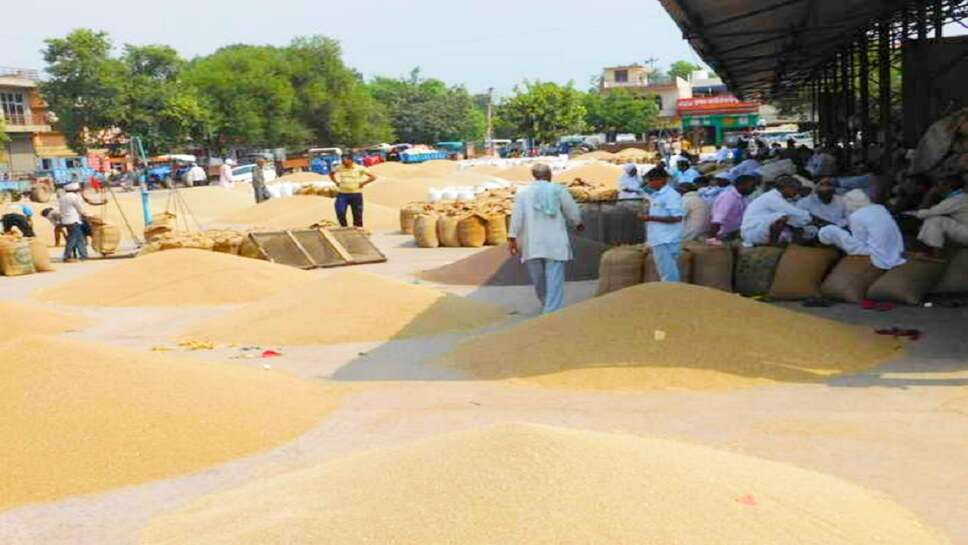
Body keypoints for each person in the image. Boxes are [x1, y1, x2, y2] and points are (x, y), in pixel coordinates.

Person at [508, 163, 584, 314]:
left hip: (532, 242)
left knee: (538, 278)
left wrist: (512, 237)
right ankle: (551, 309)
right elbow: (571, 209)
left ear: (534, 175)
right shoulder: (558, 190)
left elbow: (517, 216)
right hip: (554, 240)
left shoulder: (523, 193)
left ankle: (545, 303)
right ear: (550, 175)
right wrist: (578, 222)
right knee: (554, 276)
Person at [819, 190, 906, 270]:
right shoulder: (880, 208)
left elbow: (861, 241)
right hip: (896, 248)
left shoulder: (856, 216)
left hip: (877, 253)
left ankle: (825, 240)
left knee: (830, 229)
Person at [905, 174, 968, 257]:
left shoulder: (957, 199)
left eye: (939, 185)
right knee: (934, 220)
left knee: (935, 220)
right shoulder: (961, 197)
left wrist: (910, 213)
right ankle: (927, 249)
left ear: (948, 186)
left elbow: (931, 212)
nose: (937, 188)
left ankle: (933, 253)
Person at [640, 166, 684, 282]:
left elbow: (677, 217)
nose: (649, 184)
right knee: (668, 270)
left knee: (667, 273)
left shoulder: (671, 195)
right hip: (661, 237)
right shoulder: (658, 194)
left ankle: (671, 295)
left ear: (661, 180)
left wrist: (650, 217)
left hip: (665, 238)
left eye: (650, 181)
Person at [740, 175, 813, 246]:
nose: (796, 192)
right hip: (753, 232)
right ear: (787, 188)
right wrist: (813, 219)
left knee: (796, 223)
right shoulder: (773, 198)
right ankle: (773, 245)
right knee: (782, 217)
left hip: (755, 230)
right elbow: (800, 214)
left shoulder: (775, 196)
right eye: (795, 189)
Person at [329, 154, 377, 228]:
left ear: (350, 160)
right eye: (342, 160)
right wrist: (336, 182)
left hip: (356, 194)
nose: (343, 162)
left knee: (357, 214)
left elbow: (373, 177)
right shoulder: (339, 167)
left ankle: (358, 230)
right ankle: (344, 228)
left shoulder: (359, 168)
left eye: (345, 160)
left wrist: (363, 183)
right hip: (342, 194)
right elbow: (331, 173)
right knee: (340, 211)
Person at [708, 174, 757, 241]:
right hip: (723, 236)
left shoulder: (745, 198)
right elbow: (717, 221)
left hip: (736, 234)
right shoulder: (729, 198)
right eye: (752, 186)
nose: (755, 189)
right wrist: (712, 240)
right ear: (742, 185)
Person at [58, 182, 88, 262]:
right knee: (73, 239)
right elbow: (80, 208)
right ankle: (66, 255)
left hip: (66, 220)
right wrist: (85, 215)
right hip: (74, 220)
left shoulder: (62, 197)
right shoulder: (74, 197)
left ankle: (84, 255)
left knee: (80, 238)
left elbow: (61, 210)